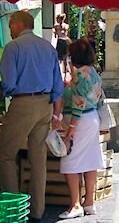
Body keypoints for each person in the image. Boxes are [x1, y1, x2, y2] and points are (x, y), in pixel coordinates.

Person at [0, 11, 64, 223]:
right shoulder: (47, 47)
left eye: (10, 24)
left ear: (18, 24)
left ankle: (14, 207)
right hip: (45, 105)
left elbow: (8, 83)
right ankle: (37, 211)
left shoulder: (13, 47)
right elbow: (58, 85)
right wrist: (57, 112)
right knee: (38, 159)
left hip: (23, 102)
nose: (9, 28)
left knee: (6, 155)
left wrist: (1, 90)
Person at [57, 40, 105, 219]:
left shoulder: (80, 76)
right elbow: (99, 98)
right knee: (90, 161)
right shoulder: (94, 73)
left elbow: (78, 102)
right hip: (92, 118)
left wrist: (71, 128)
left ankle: (75, 204)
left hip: (80, 120)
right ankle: (89, 202)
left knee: (70, 161)